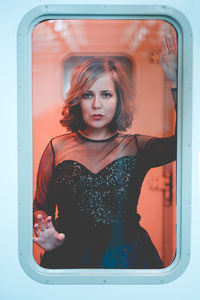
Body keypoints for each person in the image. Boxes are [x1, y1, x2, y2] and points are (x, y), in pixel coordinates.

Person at [33, 35, 177, 269]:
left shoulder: (136, 146)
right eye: (88, 95)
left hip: (129, 257)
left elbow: (182, 145)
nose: (96, 105)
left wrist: (176, 82)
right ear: (77, 100)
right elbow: (39, 205)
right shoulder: (56, 147)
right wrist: (44, 230)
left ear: (118, 100)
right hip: (68, 255)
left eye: (106, 95)